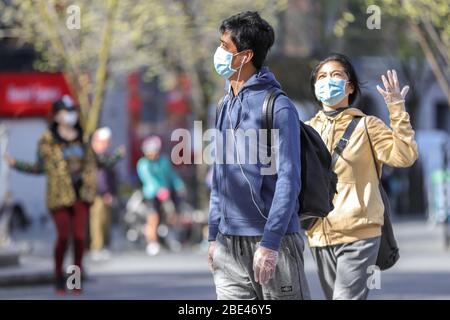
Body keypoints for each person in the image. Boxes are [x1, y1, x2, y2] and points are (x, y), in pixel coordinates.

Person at [208, 11, 310, 300]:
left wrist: (271, 241)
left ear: (245, 56)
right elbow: (220, 176)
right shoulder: (224, 105)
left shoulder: (278, 106)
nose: (219, 53)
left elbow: (289, 180)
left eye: (225, 47)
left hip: (272, 241)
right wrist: (213, 234)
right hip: (228, 245)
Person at [305, 53, 418, 299]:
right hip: (319, 234)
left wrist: (397, 109)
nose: (327, 81)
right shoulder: (306, 130)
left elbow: (405, 156)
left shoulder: (368, 125)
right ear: (315, 87)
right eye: (322, 77)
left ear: (350, 86)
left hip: (360, 232)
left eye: (336, 75)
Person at [5, 95, 97, 294]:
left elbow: (96, 162)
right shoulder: (46, 141)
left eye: (72, 111)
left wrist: (115, 157)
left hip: (82, 194)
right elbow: (40, 168)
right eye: (65, 112)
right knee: (63, 237)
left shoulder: (83, 138)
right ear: (56, 116)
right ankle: (58, 276)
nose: (70, 116)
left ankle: (75, 280)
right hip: (59, 196)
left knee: (80, 238)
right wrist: (16, 164)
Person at [137, 135, 186, 256]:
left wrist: (179, 185)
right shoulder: (143, 164)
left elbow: (171, 175)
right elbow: (148, 179)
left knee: (172, 215)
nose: (153, 154)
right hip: (151, 195)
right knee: (153, 218)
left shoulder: (163, 161)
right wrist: (159, 189)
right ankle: (152, 243)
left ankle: (171, 237)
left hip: (166, 193)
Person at [89, 127, 125, 261]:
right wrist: (105, 192)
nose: (107, 144)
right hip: (98, 193)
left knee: (106, 221)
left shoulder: (105, 155)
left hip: (106, 193)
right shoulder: (94, 155)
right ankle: (97, 247)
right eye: (105, 141)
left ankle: (104, 245)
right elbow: (101, 177)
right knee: (98, 221)